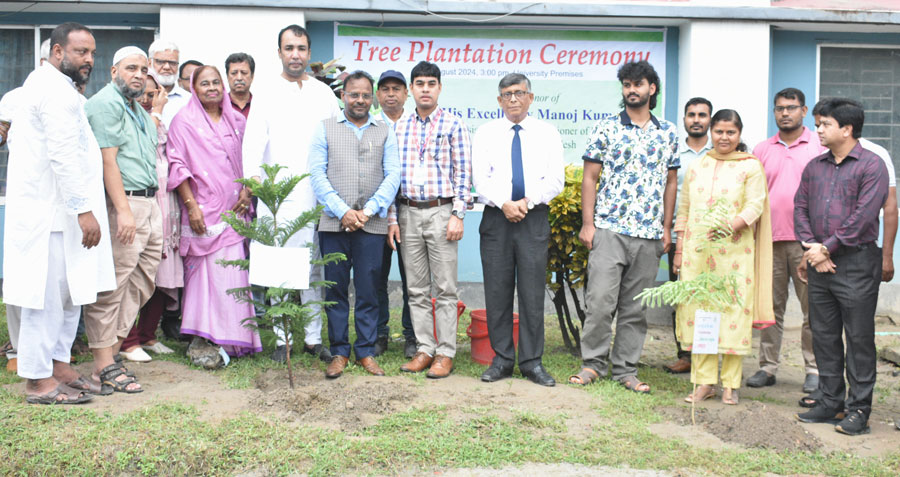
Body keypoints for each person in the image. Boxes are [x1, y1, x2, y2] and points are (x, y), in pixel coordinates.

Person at [4, 22, 115, 403]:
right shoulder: (52, 92)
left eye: (92, 53)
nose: (89, 60)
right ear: (56, 52)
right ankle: (38, 380)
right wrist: (83, 211)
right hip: (49, 218)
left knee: (70, 294)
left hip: (61, 217)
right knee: (46, 299)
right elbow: (63, 157)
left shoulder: (61, 91)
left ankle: (57, 362)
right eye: (81, 52)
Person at [568, 60, 678, 394]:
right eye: (627, 85)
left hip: (648, 234)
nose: (632, 90)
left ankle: (626, 370)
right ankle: (592, 364)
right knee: (600, 301)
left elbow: (671, 182)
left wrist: (667, 228)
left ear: (652, 88)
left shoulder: (668, 132)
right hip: (609, 229)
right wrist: (588, 224)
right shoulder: (607, 128)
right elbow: (590, 176)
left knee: (635, 308)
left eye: (638, 84)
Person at [242, 24, 341, 363]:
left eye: (301, 48)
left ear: (309, 53)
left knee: (314, 266)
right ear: (279, 52)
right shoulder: (266, 92)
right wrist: (256, 184)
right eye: (289, 48)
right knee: (278, 263)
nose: (295, 54)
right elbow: (253, 142)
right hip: (277, 196)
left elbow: (336, 140)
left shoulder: (323, 94)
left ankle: (313, 339)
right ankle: (282, 339)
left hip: (318, 195)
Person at [795, 98, 888, 436]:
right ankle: (830, 401)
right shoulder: (814, 167)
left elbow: (863, 217)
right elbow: (800, 207)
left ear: (846, 129)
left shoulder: (872, 166)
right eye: (818, 124)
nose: (818, 129)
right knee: (824, 335)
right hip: (820, 263)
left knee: (859, 338)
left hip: (857, 263)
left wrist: (825, 248)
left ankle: (858, 409)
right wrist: (811, 247)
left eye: (824, 124)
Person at [673, 109, 775, 405]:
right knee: (701, 312)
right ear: (711, 132)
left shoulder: (750, 166)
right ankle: (704, 382)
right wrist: (680, 250)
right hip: (698, 255)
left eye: (731, 132)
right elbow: (685, 210)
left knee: (732, 313)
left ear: (739, 134)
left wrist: (731, 226)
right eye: (719, 131)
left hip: (735, 253)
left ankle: (731, 384)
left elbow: (756, 204)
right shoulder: (698, 165)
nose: (724, 137)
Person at [473, 73, 563, 387]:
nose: (513, 99)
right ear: (499, 100)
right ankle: (502, 360)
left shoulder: (548, 133)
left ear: (530, 97)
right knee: (497, 291)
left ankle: (532, 362)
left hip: (533, 217)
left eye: (519, 93)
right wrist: (505, 203)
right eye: (507, 94)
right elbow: (480, 180)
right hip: (497, 218)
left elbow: (555, 181)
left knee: (531, 291)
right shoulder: (485, 133)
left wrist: (525, 201)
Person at [167, 65, 261, 367]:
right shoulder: (184, 121)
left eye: (216, 82)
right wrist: (191, 205)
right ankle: (203, 337)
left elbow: (251, 158)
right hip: (203, 213)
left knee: (232, 273)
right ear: (194, 88)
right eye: (204, 83)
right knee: (206, 279)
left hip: (235, 211)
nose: (211, 88)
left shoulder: (236, 120)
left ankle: (234, 339)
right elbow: (177, 164)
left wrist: (248, 191)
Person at [309, 70, 401, 378]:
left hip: (371, 226)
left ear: (371, 97)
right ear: (342, 96)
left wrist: (369, 211)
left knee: (368, 289)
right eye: (353, 94)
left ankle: (365, 350)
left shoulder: (384, 131)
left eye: (365, 95)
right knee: (334, 290)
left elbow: (393, 176)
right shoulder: (325, 129)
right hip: (334, 224)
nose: (360, 100)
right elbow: (317, 175)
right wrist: (343, 211)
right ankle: (338, 351)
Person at [83, 46, 163, 393]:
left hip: (148, 203)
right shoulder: (106, 104)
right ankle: (104, 365)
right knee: (112, 286)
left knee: (142, 282)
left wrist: (155, 111)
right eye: (131, 68)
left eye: (143, 70)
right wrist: (124, 211)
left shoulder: (136, 108)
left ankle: (109, 358)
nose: (138, 75)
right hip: (124, 203)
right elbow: (107, 161)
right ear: (114, 70)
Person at [389, 61, 472, 379]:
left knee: (446, 288)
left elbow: (463, 173)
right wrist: (394, 218)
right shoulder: (399, 127)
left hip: (441, 212)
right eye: (419, 83)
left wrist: (458, 214)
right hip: (408, 212)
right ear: (411, 90)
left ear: (439, 88)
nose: (425, 88)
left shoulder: (453, 124)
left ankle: (445, 353)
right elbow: (392, 177)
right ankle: (425, 349)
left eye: (431, 83)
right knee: (416, 289)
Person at [747, 88, 823, 393]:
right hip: (768, 241)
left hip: (808, 243)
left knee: (813, 310)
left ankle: (814, 369)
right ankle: (767, 367)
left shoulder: (818, 146)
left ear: (804, 111)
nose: (785, 113)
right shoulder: (762, 149)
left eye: (791, 108)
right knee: (770, 308)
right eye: (779, 108)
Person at [118, 72, 183, 362]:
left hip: (166, 207)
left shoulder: (165, 122)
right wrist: (155, 113)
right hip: (137, 205)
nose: (146, 99)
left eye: (152, 94)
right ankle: (128, 340)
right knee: (134, 273)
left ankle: (148, 335)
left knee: (161, 274)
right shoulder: (126, 120)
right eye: (142, 94)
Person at [0, 37, 52, 373]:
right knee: (22, 275)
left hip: (59, 203)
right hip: (24, 199)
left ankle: (51, 347)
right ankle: (17, 348)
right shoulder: (17, 97)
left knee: (53, 278)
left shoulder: (76, 100)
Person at [664, 97, 713, 375]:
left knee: (709, 297)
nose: (696, 119)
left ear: (710, 119)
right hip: (680, 235)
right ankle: (685, 353)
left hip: (713, 237)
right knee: (681, 295)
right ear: (684, 119)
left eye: (702, 115)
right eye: (691, 114)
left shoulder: (719, 151)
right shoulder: (672, 152)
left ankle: (709, 353)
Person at [374, 69, 415, 358]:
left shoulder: (417, 125)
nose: (391, 94)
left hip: (412, 210)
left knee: (413, 277)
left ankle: (412, 335)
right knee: (376, 275)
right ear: (378, 95)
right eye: (385, 89)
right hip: (376, 212)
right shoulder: (369, 125)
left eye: (396, 89)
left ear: (406, 93)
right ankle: (379, 333)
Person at [148, 39, 190, 128]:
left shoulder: (189, 100)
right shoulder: (138, 98)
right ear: (149, 63)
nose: (167, 67)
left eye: (173, 63)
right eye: (160, 62)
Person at [226, 53, 254, 118]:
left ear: (252, 76)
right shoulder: (219, 106)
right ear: (227, 76)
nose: (239, 78)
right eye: (234, 73)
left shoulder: (261, 105)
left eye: (244, 73)